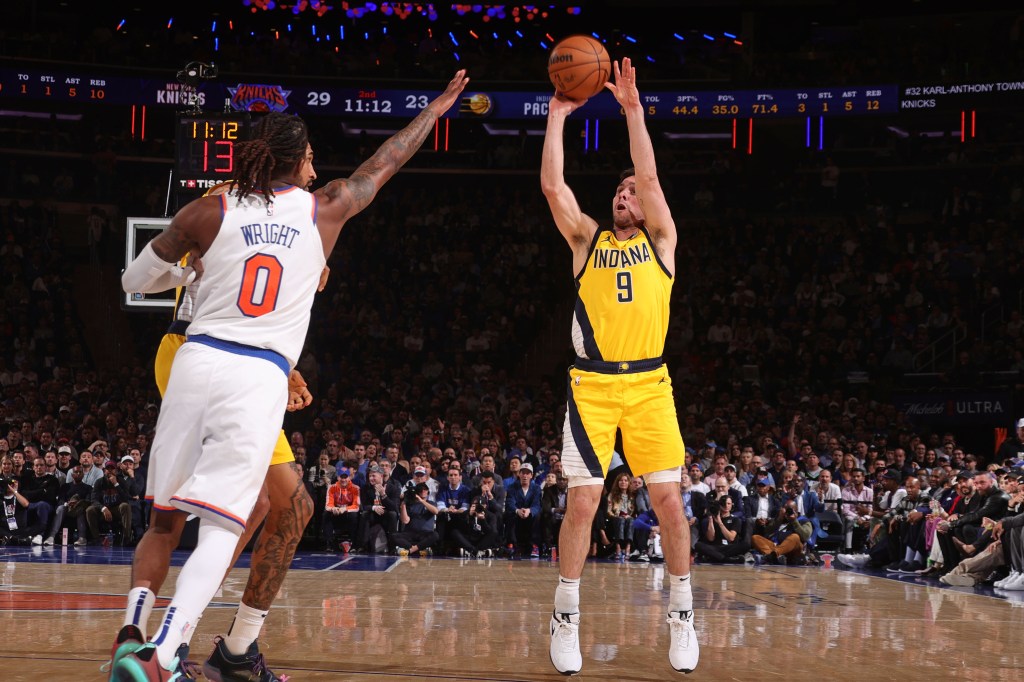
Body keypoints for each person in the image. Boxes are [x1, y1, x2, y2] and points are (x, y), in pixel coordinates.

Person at [111, 70, 469, 680]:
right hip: (254, 376)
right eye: (309, 156)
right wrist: (433, 112)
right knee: (228, 521)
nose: (315, 164)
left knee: (164, 518)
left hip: (194, 358)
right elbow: (383, 164)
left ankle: (132, 636)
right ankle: (165, 654)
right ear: (296, 159)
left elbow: (134, 282)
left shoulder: (207, 209)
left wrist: (190, 271)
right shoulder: (324, 208)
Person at [540, 57, 698, 675]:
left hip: (651, 384)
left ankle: (682, 616)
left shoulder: (662, 241)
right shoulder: (588, 241)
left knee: (669, 503)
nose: (624, 194)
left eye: (630, 190)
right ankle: (566, 614)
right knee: (583, 505)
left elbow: (653, 182)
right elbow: (555, 189)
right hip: (593, 387)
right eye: (619, 190)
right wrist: (556, 117)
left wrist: (633, 111)